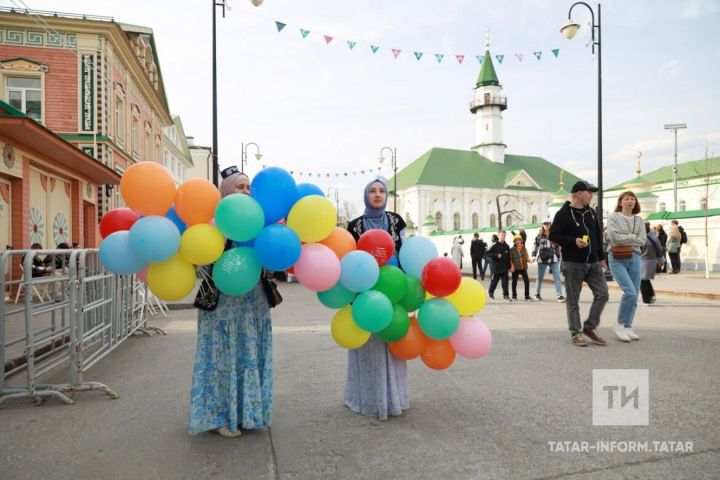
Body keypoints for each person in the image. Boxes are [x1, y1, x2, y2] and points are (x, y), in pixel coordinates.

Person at [188, 166, 272, 438]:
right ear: (226, 192)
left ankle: (250, 412)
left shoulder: (259, 224)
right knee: (222, 356)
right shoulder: (214, 225)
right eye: (239, 186)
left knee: (249, 351)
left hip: (253, 301)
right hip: (221, 304)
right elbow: (199, 263)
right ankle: (220, 415)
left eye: (248, 187)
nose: (245, 191)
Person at [345, 175, 409, 421]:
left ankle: (394, 398)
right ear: (365, 195)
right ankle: (369, 400)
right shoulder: (355, 226)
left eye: (382, 190)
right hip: (366, 296)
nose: (378, 194)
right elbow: (349, 260)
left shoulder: (396, 221)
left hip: (394, 293)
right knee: (368, 346)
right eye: (372, 190)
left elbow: (406, 254)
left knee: (393, 345)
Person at [549, 181, 609, 347]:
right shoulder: (563, 214)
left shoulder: (590, 212)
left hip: (593, 262)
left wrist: (601, 257)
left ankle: (589, 327)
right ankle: (576, 333)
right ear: (578, 194)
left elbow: (597, 235)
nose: (591, 195)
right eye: (589, 192)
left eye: (592, 193)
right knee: (573, 300)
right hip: (573, 263)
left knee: (603, 294)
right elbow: (553, 236)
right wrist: (573, 241)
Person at [606, 191, 646, 342]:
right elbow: (613, 237)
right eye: (626, 199)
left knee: (635, 294)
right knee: (629, 292)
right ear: (620, 202)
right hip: (617, 257)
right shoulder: (613, 217)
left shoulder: (639, 220)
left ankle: (628, 326)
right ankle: (619, 324)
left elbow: (642, 240)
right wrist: (632, 237)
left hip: (635, 257)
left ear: (635, 202)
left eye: (632, 199)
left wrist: (628, 239)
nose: (630, 201)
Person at [533, 219, 565, 302]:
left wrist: (558, 256)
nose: (546, 225)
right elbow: (535, 245)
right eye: (545, 223)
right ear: (543, 225)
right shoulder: (539, 235)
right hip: (542, 259)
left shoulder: (554, 235)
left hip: (553, 258)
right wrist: (533, 255)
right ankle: (537, 294)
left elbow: (557, 246)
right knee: (540, 277)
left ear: (550, 224)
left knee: (557, 276)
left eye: (548, 223)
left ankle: (559, 295)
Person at [640, 222, 664, 305]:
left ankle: (646, 299)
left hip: (643, 261)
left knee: (642, 281)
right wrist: (661, 260)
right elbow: (659, 249)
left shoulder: (642, 238)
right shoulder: (653, 237)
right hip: (651, 261)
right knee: (645, 280)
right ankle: (651, 296)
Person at [487, 230, 511, 301]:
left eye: (504, 235)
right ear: (498, 236)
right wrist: (496, 255)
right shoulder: (494, 245)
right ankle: (491, 292)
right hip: (496, 268)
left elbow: (508, 257)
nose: (503, 236)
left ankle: (506, 295)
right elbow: (487, 253)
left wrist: (509, 266)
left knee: (505, 282)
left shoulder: (507, 246)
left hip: (504, 268)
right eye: (501, 235)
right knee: (494, 282)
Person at [509, 234, 532, 301]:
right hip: (515, 268)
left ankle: (527, 296)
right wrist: (512, 266)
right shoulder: (512, 249)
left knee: (527, 281)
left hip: (523, 268)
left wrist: (529, 260)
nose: (517, 241)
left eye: (519, 240)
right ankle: (514, 296)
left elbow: (526, 257)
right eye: (516, 240)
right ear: (514, 242)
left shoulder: (524, 248)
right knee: (514, 282)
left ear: (521, 241)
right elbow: (510, 259)